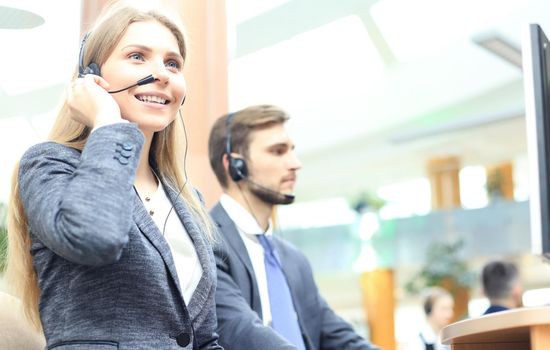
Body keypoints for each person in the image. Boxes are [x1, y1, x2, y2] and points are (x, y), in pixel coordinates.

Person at [6, 2, 222, 349]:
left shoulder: (187, 199)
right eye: (137, 56)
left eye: (172, 63)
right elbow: (95, 238)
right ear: (91, 74)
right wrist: (107, 121)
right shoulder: (48, 164)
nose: (162, 73)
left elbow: (205, 337)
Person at [207, 105, 379, 350]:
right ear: (235, 165)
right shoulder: (204, 240)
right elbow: (240, 330)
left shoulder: (293, 259)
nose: (295, 164)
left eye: (292, 151)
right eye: (278, 151)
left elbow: (335, 334)